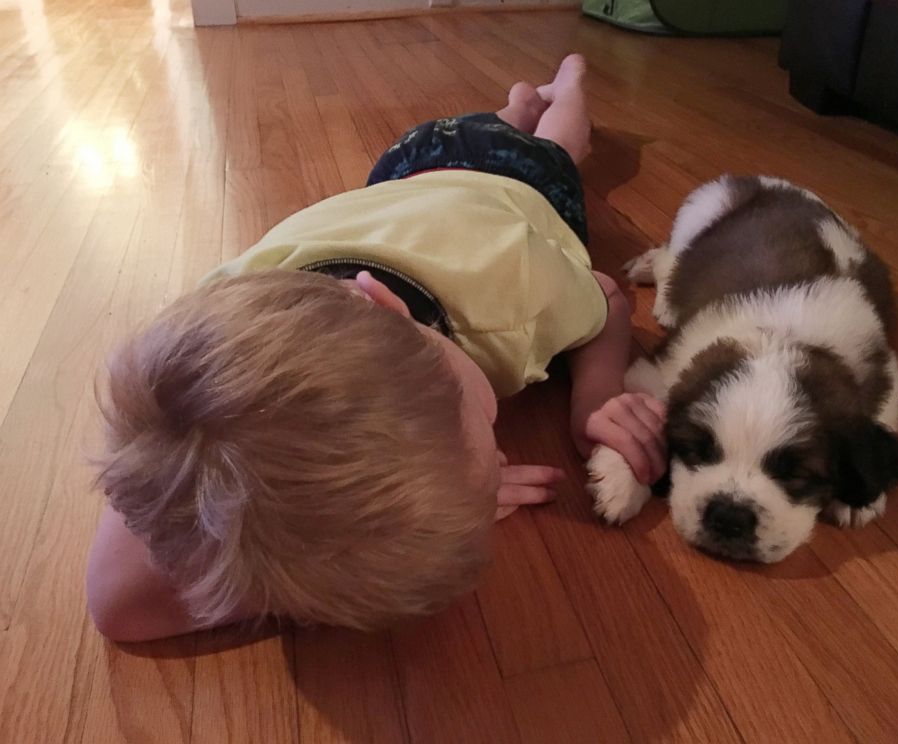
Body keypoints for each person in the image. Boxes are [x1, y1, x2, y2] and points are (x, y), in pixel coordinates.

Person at [86, 54, 667, 642]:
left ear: (385, 303)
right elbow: (116, 605)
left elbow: (608, 298)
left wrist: (595, 397)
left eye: (486, 423)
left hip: (510, 184)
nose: (495, 450)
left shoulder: (511, 296)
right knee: (496, 120)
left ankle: (563, 87)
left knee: (563, 143)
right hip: (397, 177)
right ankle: (514, 105)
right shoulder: (206, 348)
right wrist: (304, 568)